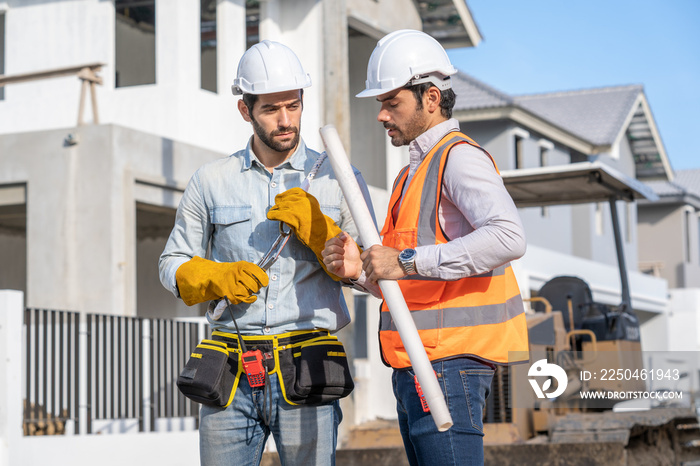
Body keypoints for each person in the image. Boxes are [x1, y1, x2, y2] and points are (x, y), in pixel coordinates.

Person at [159, 40, 374, 466]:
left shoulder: (340, 178)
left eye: (293, 106)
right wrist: (211, 277)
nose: (285, 120)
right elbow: (171, 264)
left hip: (307, 359)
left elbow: (374, 273)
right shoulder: (210, 180)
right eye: (271, 109)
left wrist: (323, 234)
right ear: (245, 110)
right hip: (230, 366)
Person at [322, 29, 529, 466]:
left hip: (448, 363)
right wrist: (361, 271)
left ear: (431, 98)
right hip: (418, 364)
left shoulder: (458, 157)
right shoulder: (408, 177)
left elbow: (509, 236)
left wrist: (404, 260)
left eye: (391, 102)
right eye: (381, 103)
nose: (381, 115)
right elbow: (405, 283)